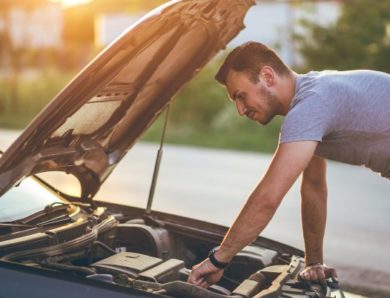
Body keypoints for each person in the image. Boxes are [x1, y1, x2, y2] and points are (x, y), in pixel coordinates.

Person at [187, 41, 390, 289]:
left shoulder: (310, 106)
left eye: (241, 96)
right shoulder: (314, 97)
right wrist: (314, 262)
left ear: (267, 76)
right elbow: (314, 186)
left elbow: (268, 197)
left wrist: (219, 260)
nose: (240, 110)